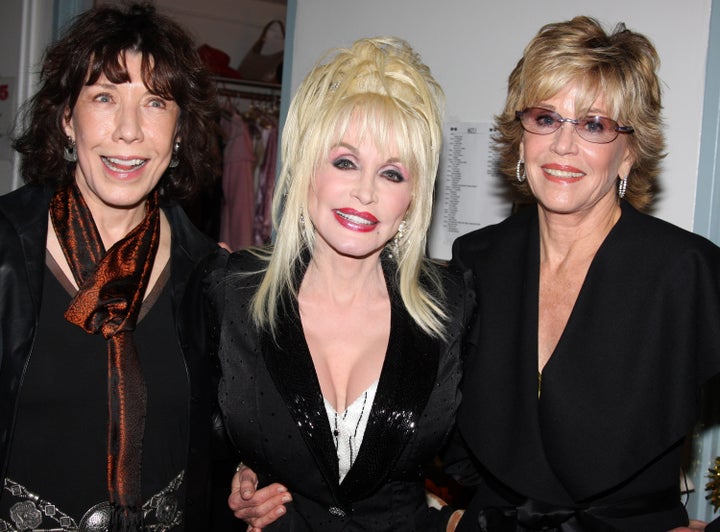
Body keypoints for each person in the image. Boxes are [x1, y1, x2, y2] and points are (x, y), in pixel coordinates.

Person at [445, 16, 720, 531]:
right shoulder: (476, 260)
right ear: (521, 135)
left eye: (593, 125)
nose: (563, 146)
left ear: (629, 151)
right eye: (546, 118)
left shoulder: (685, 272)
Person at [198, 37, 471, 531]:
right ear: (306, 169)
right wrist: (233, 480)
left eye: (391, 173)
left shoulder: (451, 305)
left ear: (411, 198)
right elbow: (192, 439)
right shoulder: (230, 290)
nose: (365, 192)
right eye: (345, 162)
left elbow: (478, 458)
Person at [0, 3, 224, 530]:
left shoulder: (210, 277)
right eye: (104, 97)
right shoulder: (6, 251)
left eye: (154, 103)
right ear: (66, 120)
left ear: (178, 130)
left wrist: (249, 478)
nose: (128, 130)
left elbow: (221, 439)